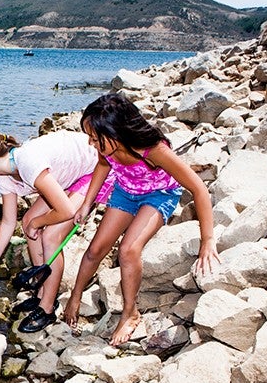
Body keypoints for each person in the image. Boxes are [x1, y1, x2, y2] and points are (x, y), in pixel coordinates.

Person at [63, 93, 219, 345]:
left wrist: (207, 239)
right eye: (89, 137)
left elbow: (198, 188)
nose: (92, 143)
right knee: (94, 250)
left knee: (128, 249)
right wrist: (86, 204)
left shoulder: (153, 149)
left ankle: (130, 314)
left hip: (159, 194)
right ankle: (75, 297)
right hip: (126, 192)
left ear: (116, 132)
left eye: (95, 138)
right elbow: (102, 166)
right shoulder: (108, 146)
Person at [0, 127, 114, 333]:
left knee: (50, 236)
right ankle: (41, 294)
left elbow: (66, 211)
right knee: (28, 221)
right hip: (69, 176)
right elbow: (8, 222)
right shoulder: (3, 174)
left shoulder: (28, 163)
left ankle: (47, 309)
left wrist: (37, 223)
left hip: (96, 170)